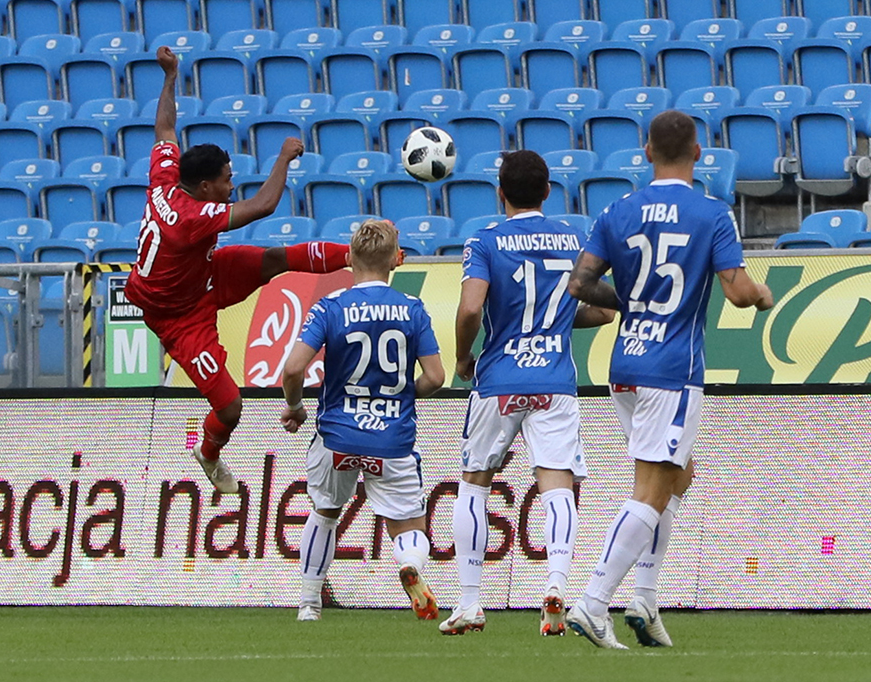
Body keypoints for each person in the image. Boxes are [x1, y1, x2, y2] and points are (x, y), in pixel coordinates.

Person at [564, 110, 775, 649]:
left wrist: (632, 302)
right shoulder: (711, 212)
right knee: (652, 488)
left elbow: (580, 284)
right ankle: (592, 603)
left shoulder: (618, 209)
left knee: (679, 476)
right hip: (673, 369)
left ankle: (645, 597)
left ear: (647, 152)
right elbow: (736, 291)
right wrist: (762, 295)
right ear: (698, 153)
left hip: (625, 365)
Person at [125, 46, 350, 494]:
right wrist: (284, 157)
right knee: (230, 407)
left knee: (274, 260)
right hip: (177, 316)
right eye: (227, 180)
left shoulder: (166, 179)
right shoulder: (191, 218)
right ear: (205, 186)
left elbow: (165, 127)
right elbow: (263, 205)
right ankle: (208, 454)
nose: (232, 186)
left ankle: (358, 255)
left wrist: (170, 76)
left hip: (202, 274)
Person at [439, 150, 616, 637]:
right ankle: (556, 585)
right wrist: (555, 321)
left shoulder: (484, 241)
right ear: (547, 191)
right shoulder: (574, 239)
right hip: (554, 381)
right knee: (557, 484)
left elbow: (470, 309)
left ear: (500, 193)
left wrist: (462, 356)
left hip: (499, 379)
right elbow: (603, 310)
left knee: (475, 482)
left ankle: (470, 602)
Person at [280, 219, 446, 622]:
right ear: (395, 260)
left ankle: (309, 604)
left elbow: (293, 369)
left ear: (350, 258)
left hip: (337, 435)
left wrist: (296, 407)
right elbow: (436, 377)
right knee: (409, 526)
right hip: (391, 438)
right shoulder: (412, 308)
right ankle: (410, 565)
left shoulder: (330, 307)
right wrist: (402, 395)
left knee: (325, 511)